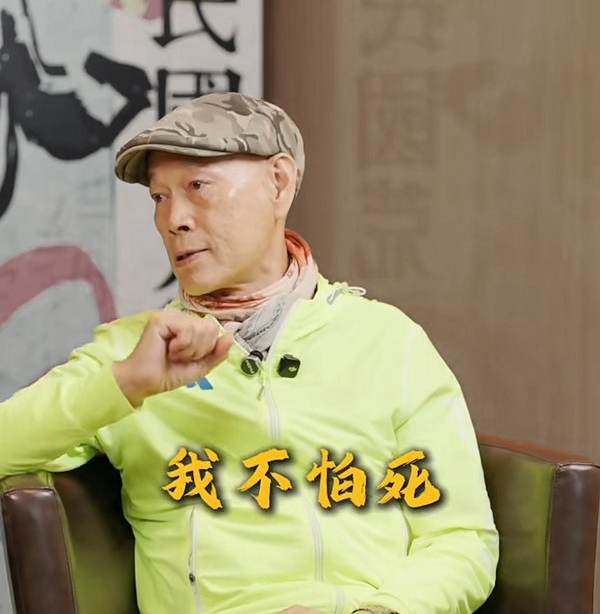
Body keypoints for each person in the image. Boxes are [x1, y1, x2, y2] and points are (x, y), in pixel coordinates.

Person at [0, 92, 499, 614]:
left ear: (278, 182)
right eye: (159, 198)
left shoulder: (388, 341)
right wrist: (126, 384)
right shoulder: (134, 352)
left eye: (198, 187)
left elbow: (462, 539)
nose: (174, 220)